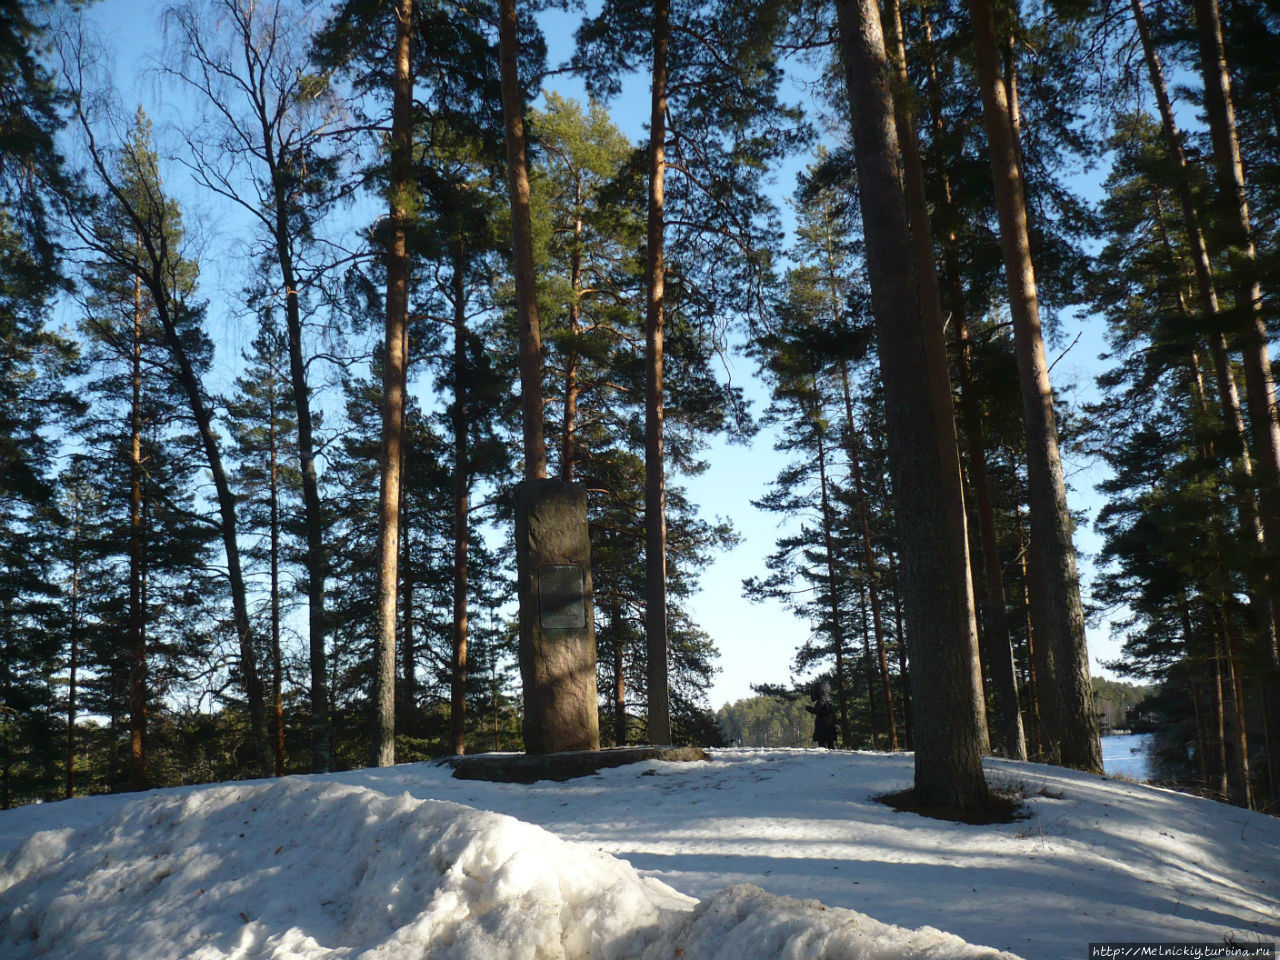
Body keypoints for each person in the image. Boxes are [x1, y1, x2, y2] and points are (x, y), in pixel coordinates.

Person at [805, 681, 837, 749]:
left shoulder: (822, 699)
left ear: (820, 690)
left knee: (822, 747)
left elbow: (816, 710)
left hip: (823, 726)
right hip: (830, 726)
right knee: (831, 746)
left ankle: (824, 758)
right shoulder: (829, 698)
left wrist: (808, 708)